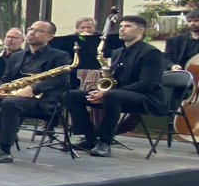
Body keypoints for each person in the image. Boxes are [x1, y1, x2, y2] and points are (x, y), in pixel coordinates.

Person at [0, 20, 72, 163]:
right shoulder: (16, 56)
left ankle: (5, 151)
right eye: (30, 29)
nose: (31, 32)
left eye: (38, 31)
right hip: (12, 95)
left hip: (41, 99)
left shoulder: (59, 56)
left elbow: (62, 80)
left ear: (50, 37)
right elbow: (5, 79)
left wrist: (33, 88)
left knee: (9, 104)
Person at [63, 15, 164, 157]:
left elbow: (146, 84)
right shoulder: (117, 53)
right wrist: (100, 91)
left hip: (148, 99)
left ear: (140, 31)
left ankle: (105, 142)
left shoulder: (151, 53)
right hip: (117, 95)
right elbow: (113, 79)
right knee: (72, 95)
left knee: (112, 96)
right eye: (121, 26)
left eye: (127, 26)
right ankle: (90, 138)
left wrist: (107, 93)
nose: (122, 29)